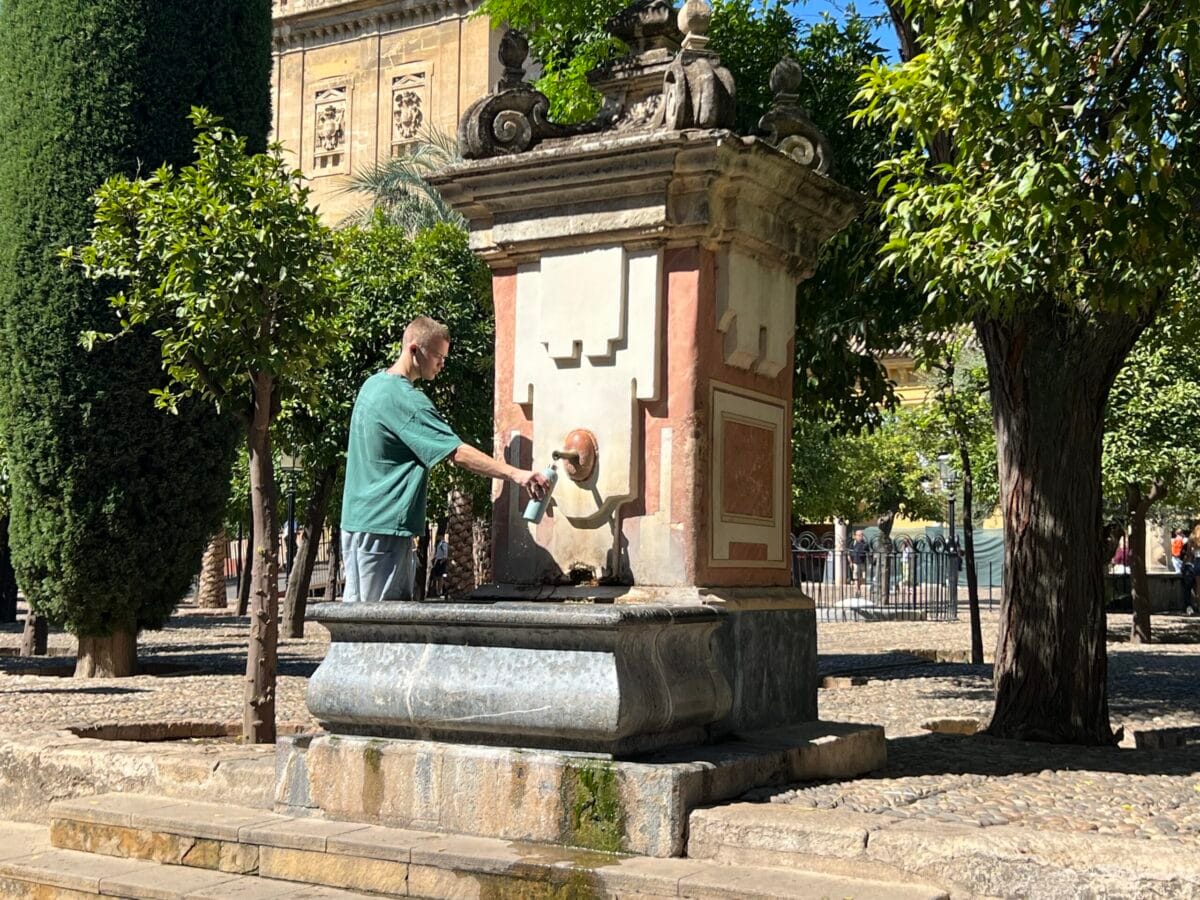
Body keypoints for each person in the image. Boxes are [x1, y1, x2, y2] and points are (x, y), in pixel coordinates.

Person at [340, 316, 548, 603]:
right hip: (384, 529)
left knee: (356, 618)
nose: (441, 364)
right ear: (414, 350)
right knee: (381, 622)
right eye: (438, 356)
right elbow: (457, 453)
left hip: (357, 523)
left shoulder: (372, 385)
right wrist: (517, 474)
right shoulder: (406, 400)